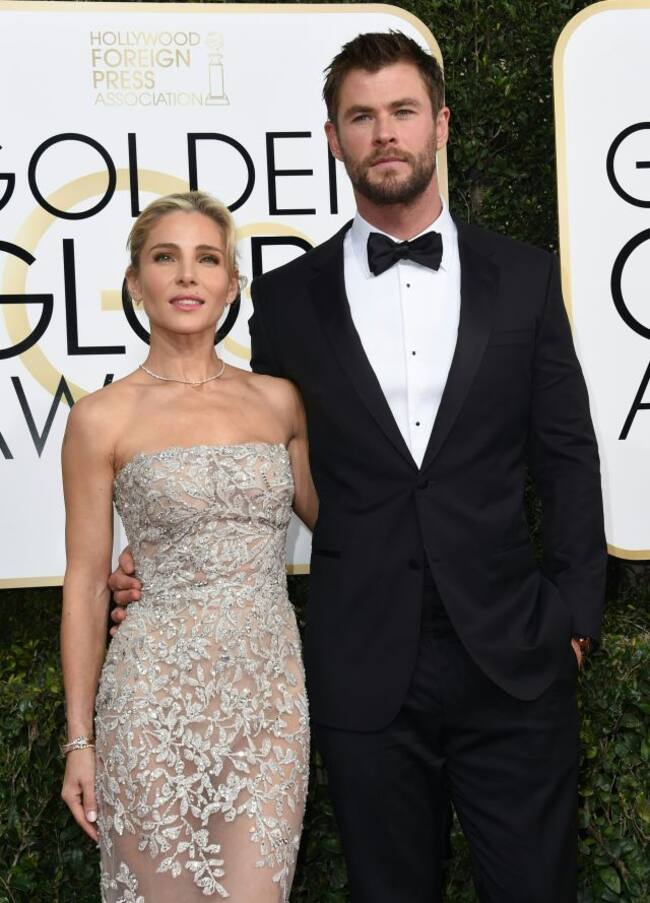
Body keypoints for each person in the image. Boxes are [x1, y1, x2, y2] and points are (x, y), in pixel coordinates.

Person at [109, 33, 607, 902]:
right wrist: (163, 556)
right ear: (333, 137)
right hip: (363, 662)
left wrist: (573, 616)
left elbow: (567, 455)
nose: (385, 134)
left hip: (514, 657)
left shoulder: (525, 279)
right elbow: (254, 452)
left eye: (403, 113)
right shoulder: (290, 299)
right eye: (362, 117)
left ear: (441, 125)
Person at [60, 191, 315, 902]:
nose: (186, 276)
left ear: (232, 283)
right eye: (164, 258)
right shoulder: (100, 417)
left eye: (207, 259)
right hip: (152, 699)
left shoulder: (279, 401)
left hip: (268, 700)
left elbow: (349, 527)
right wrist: (80, 740)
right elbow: (83, 584)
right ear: (136, 283)